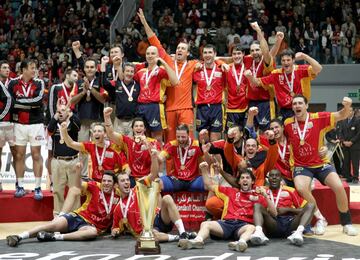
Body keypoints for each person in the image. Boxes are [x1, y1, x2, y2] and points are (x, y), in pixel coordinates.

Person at [283, 94, 358, 236]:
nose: (297, 106)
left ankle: (346, 223)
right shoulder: (287, 123)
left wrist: (347, 106)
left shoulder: (318, 117)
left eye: (300, 103)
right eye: (294, 104)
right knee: (301, 188)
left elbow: (341, 115)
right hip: (301, 165)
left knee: (339, 187)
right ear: (292, 107)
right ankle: (320, 219)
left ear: (306, 106)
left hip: (320, 163)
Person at [178, 162, 276, 252]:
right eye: (242, 178)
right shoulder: (230, 191)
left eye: (247, 178)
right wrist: (204, 170)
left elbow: (273, 213)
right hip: (226, 224)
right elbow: (209, 185)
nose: (245, 180)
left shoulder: (259, 197)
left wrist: (266, 196)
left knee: (251, 228)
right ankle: (197, 241)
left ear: (253, 181)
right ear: (239, 182)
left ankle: (241, 243)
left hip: (243, 225)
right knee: (205, 224)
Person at [6, 170, 121, 247]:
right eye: (104, 180)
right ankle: (19, 236)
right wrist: (77, 172)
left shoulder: (119, 196)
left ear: (115, 184)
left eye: (109, 181)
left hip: (90, 226)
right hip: (78, 217)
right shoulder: (95, 187)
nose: (106, 183)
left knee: (92, 233)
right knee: (50, 225)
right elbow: (77, 185)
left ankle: (55, 237)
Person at [138, 8, 198, 141]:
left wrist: (222, 62)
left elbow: (211, 61)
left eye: (183, 48)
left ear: (187, 53)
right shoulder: (168, 60)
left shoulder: (193, 64)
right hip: (169, 109)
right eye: (178, 48)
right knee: (170, 142)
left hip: (186, 109)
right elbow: (153, 40)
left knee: (189, 140)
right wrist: (144, 23)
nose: (179, 50)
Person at [111, 148, 195, 241]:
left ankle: (183, 232)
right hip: (150, 230)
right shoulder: (118, 209)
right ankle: (179, 237)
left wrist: (154, 158)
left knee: (167, 198)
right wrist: (115, 231)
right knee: (152, 235)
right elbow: (115, 227)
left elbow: (153, 174)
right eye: (122, 181)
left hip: (159, 219)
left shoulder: (138, 187)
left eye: (127, 180)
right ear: (116, 185)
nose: (126, 182)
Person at [245, 49, 323, 121]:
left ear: (293, 60)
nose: (286, 63)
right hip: (284, 111)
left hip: (300, 108)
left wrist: (305, 57)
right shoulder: (276, 74)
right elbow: (257, 82)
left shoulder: (302, 70)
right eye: (283, 60)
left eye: (288, 60)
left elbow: (318, 68)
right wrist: (249, 76)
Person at [7, 59, 45, 199]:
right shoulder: (12, 83)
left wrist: (19, 102)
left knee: (36, 155)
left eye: (35, 68)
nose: (34, 71)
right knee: (18, 155)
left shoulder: (39, 82)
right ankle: (20, 186)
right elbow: (10, 102)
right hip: (18, 124)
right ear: (23, 69)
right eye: (32, 68)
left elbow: (39, 101)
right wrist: (29, 104)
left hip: (36, 124)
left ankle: (37, 187)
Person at [250, 169, 315, 246]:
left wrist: (288, 210)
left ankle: (298, 233)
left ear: (281, 178)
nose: (274, 178)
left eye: (277, 176)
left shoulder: (290, 190)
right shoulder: (262, 191)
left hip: (290, 223)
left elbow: (302, 210)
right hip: (272, 223)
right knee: (257, 206)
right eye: (272, 176)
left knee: (311, 205)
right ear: (268, 178)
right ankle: (259, 232)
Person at [103, 107, 161, 187]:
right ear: (133, 129)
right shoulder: (128, 141)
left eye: (141, 126)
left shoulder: (153, 142)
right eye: (136, 126)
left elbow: (159, 159)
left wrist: (146, 143)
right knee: (118, 184)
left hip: (149, 177)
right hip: (133, 178)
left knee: (158, 184)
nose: (138, 128)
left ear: (144, 129)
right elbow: (111, 134)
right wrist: (107, 117)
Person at [133, 46, 179, 143]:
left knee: (156, 137)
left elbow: (175, 82)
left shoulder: (161, 71)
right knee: (140, 135)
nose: (150, 56)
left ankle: (157, 157)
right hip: (141, 106)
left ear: (158, 56)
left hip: (155, 107)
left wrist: (164, 63)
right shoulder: (140, 72)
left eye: (153, 53)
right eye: (148, 53)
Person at [70, 58, 108, 177]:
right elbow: (72, 101)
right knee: (83, 149)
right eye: (87, 67)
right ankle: (84, 176)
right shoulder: (78, 82)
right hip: (82, 120)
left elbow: (103, 99)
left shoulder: (101, 82)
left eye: (92, 67)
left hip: (98, 120)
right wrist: (83, 92)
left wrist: (90, 89)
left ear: (96, 68)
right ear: (84, 69)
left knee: (99, 148)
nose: (89, 69)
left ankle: (99, 175)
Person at [242, 22, 281, 131]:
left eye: (257, 50)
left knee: (267, 132)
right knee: (250, 131)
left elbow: (267, 52)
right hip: (251, 102)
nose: (255, 53)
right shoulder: (248, 59)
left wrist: (258, 31)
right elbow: (233, 59)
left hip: (266, 102)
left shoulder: (267, 61)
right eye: (252, 50)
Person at [47, 102, 81, 216]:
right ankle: (58, 216)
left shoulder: (73, 123)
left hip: (73, 161)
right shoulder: (54, 123)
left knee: (74, 190)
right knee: (57, 191)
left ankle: (75, 215)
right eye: (58, 111)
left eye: (63, 110)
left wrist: (71, 115)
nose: (60, 112)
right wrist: (56, 116)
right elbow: (49, 130)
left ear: (69, 112)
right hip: (57, 161)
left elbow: (79, 126)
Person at [193, 44, 226, 141]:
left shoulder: (222, 69)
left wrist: (221, 62)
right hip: (202, 109)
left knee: (215, 141)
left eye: (210, 52)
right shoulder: (196, 70)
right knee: (202, 140)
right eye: (205, 53)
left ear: (215, 54)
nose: (207, 55)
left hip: (217, 108)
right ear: (202, 55)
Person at [158, 124, 204, 192]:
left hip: (194, 180)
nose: (180, 139)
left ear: (188, 135)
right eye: (178, 137)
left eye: (183, 137)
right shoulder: (172, 144)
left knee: (210, 183)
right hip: (176, 180)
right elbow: (160, 158)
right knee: (156, 184)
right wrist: (155, 154)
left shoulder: (197, 145)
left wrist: (205, 152)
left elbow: (207, 161)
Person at [100, 60, 140, 136]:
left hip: (133, 121)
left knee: (132, 145)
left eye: (131, 71)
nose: (129, 73)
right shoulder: (117, 84)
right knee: (117, 145)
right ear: (123, 72)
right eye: (127, 71)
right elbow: (103, 84)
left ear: (134, 73)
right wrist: (103, 65)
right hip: (118, 121)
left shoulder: (138, 85)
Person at [0, 60, 16, 192]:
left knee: (17, 154)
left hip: (12, 123)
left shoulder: (12, 83)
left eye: (8, 68)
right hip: (0, 123)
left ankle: (19, 181)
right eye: (4, 68)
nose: (7, 70)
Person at [338, 106, 360, 183]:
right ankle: (348, 176)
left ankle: (355, 177)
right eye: (348, 111)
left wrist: (351, 142)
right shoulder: (343, 121)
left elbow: (358, 133)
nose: (349, 112)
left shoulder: (357, 120)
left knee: (355, 162)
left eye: (350, 111)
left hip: (354, 145)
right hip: (345, 145)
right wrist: (343, 141)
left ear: (353, 112)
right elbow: (340, 132)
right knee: (346, 162)